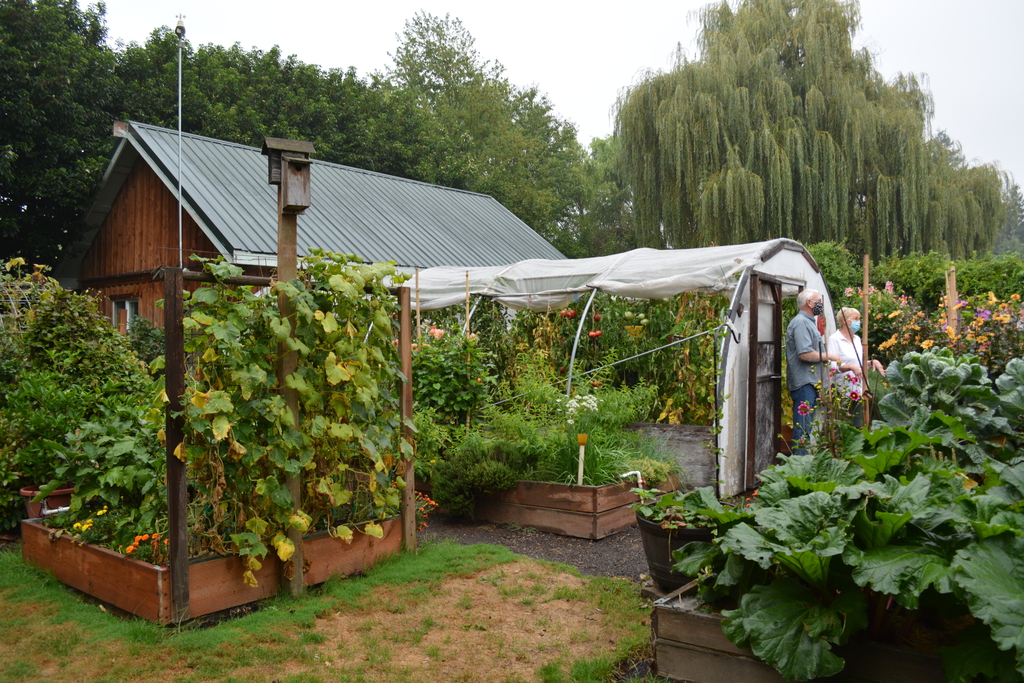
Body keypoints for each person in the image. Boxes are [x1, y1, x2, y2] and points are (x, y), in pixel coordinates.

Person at [785, 288, 839, 453]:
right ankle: (798, 469)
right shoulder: (801, 322)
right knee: (802, 428)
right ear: (809, 303)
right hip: (804, 383)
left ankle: (803, 466)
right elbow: (805, 354)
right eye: (818, 301)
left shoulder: (809, 322)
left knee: (807, 428)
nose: (820, 305)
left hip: (810, 382)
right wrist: (829, 356)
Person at [827, 307, 886, 427]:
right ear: (844, 320)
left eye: (859, 319)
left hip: (858, 389)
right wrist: (850, 367)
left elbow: (859, 363)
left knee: (857, 424)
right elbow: (832, 366)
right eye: (855, 319)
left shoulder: (857, 339)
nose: (858, 322)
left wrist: (871, 363)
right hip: (842, 389)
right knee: (841, 424)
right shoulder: (835, 339)